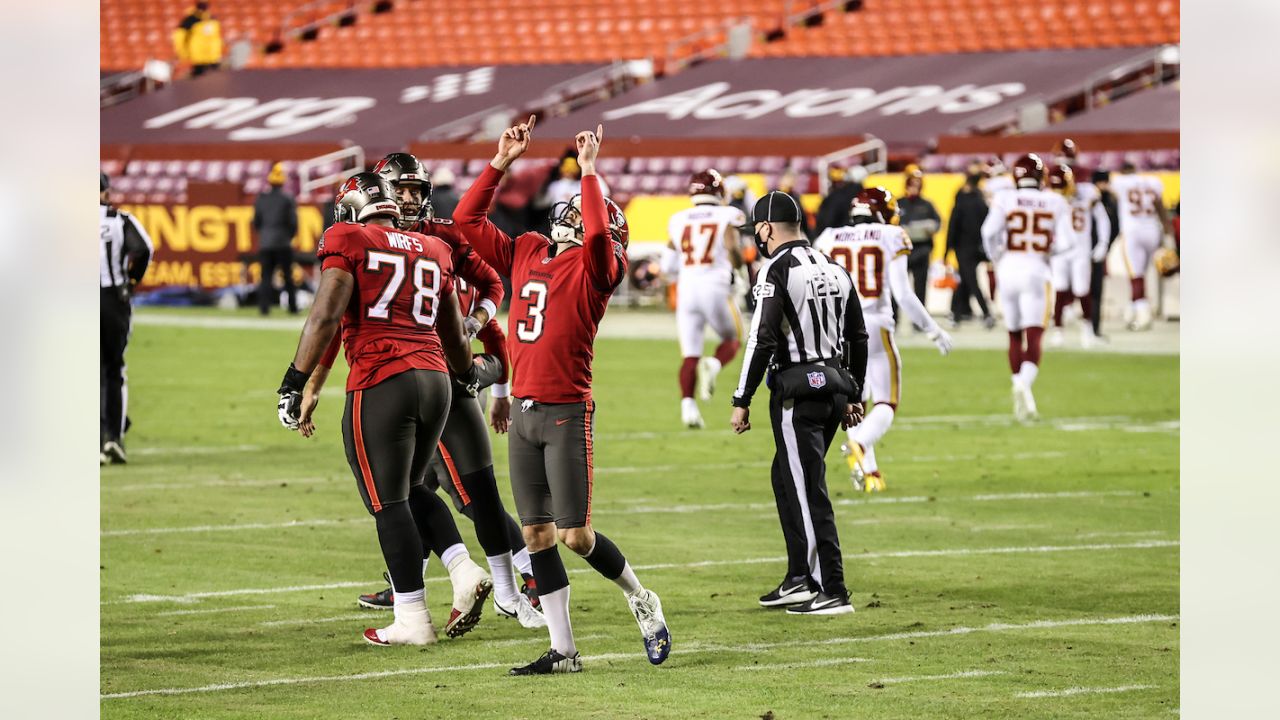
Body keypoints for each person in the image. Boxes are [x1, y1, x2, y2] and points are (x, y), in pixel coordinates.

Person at [455, 117, 670, 675]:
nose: (574, 213)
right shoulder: (529, 248)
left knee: (575, 535)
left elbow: (599, 238)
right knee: (537, 533)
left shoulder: (601, 264)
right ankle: (564, 650)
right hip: (523, 409)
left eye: (583, 208)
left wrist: (591, 169)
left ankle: (641, 598)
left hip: (565, 411)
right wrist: (501, 161)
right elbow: (466, 221)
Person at [332, 152, 542, 629]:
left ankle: (507, 577)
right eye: (398, 190)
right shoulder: (372, 239)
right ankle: (419, 579)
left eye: (413, 191)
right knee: (418, 486)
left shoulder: (439, 236)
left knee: (458, 491)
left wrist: (475, 326)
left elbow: (491, 284)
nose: (407, 199)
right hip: (424, 374)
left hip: (435, 374)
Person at [276, 172, 479, 647]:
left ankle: (411, 617)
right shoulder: (432, 247)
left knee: (387, 501)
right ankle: (462, 568)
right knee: (410, 486)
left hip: (383, 378)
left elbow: (326, 315)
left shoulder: (348, 237)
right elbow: (453, 330)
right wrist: (467, 373)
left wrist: (294, 381)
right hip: (436, 380)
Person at [730, 191, 868, 615]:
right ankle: (799, 577)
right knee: (785, 478)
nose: (756, 237)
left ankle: (831, 586)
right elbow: (857, 337)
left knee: (807, 489)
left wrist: (742, 397)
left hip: (797, 392)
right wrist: (853, 394)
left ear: (768, 228)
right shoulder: (834, 266)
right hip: (834, 387)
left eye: (757, 229)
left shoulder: (776, 269)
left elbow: (763, 337)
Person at [815, 188, 953, 493]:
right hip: (873, 325)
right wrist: (933, 329)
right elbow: (903, 293)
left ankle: (871, 474)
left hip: (837, 331)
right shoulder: (890, 235)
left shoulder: (828, 238)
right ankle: (860, 444)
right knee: (886, 402)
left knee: (857, 403)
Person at [981, 154, 1074, 422]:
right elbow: (1067, 242)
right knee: (1034, 335)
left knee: (1013, 333)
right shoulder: (1055, 201)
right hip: (1036, 269)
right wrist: (1047, 249)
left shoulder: (1005, 198)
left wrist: (996, 256)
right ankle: (1023, 385)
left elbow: (988, 232)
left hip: (1008, 268)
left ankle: (1022, 392)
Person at [661, 169, 746, 429]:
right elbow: (732, 247)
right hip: (716, 287)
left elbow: (667, 265)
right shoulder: (728, 214)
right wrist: (738, 269)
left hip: (687, 290)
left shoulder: (678, 219)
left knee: (689, 355)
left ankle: (688, 408)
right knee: (733, 339)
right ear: (719, 192)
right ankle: (715, 363)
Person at [100, 171, 153, 465]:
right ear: (105, 193)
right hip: (112, 301)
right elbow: (144, 248)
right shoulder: (119, 220)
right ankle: (112, 437)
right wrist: (132, 281)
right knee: (113, 368)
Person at [1046, 164, 1111, 348]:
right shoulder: (1052, 197)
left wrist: (1103, 243)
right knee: (1060, 289)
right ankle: (1058, 331)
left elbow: (1102, 219)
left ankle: (1087, 331)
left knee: (1082, 290)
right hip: (1059, 251)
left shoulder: (1088, 192)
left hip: (1081, 250)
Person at [1109, 162, 1174, 330]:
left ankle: (1143, 314)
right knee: (1140, 274)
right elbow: (1160, 206)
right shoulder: (1152, 182)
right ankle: (1132, 311)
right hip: (1153, 230)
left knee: (1135, 275)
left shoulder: (1121, 182)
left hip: (1133, 232)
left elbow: (1113, 196)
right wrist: (1168, 231)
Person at [946, 164, 995, 328]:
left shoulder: (961, 199)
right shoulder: (981, 200)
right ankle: (957, 313)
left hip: (963, 247)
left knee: (969, 281)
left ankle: (985, 313)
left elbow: (953, 225)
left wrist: (947, 249)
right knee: (966, 279)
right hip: (977, 247)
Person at [253, 163, 299, 315]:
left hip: (266, 243)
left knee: (265, 276)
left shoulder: (261, 198)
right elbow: (293, 222)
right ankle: (292, 307)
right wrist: (289, 236)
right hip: (283, 243)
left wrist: (265, 234)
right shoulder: (287, 198)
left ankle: (264, 308)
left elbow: (256, 222)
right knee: (287, 277)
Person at [898, 168, 941, 314]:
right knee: (898, 287)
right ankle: (894, 319)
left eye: (917, 185)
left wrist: (927, 228)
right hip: (901, 252)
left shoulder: (927, 205)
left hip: (921, 250)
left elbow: (937, 223)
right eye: (912, 184)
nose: (914, 188)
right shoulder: (898, 204)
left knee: (920, 288)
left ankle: (919, 321)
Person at [1089, 169, 1120, 338]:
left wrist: (1104, 248)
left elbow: (1115, 227)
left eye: (1106, 182)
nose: (1103, 186)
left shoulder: (1111, 201)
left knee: (1096, 291)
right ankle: (1059, 328)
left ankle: (1094, 328)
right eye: (1101, 182)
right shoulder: (1087, 198)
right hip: (1078, 252)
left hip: (1098, 252)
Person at [172, 2, 223, 76]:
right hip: (198, 58)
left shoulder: (212, 18)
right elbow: (179, 37)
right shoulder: (190, 20)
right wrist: (183, 52)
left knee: (216, 80)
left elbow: (216, 37)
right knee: (199, 81)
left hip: (213, 56)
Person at [814, 164, 865, 237]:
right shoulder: (865, 197)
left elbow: (824, 220)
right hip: (857, 237)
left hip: (832, 237)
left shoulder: (834, 195)